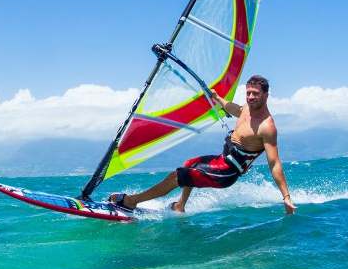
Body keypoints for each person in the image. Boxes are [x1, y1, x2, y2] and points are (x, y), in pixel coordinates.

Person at [109, 75, 296, 214]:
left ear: (266, 95)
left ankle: (131, 201)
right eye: (248, 93)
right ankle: (180, 206)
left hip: (227, 172)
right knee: (189, 163)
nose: (250, 97)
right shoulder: (247, 108)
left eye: (255, 94)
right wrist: (217, 98)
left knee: (178, 176)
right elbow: (235, 109)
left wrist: (286, 197)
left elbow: (274, 163)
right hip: (222, 159)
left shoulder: (267, 126)